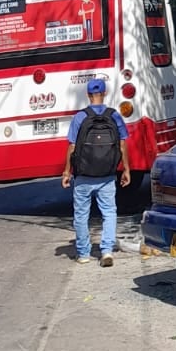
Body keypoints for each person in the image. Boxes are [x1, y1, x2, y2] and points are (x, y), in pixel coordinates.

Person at [61, 78, 130, 266]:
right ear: (105, 93)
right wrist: (126, 169)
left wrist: (67, 172)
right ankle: (106, 251)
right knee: (109, 211)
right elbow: (123, 145)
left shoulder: (80, 117)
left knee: (81, 215)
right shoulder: (114, 116)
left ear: (88, 95)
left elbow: (72, 147)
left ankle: (83, 253)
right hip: (107, 174)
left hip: (83, 175)